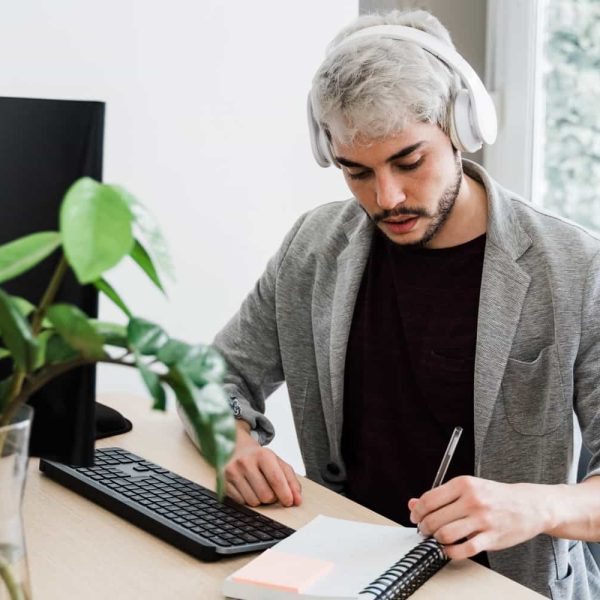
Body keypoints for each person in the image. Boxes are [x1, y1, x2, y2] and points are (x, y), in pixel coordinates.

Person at [183, 9, 600, 598]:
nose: (387, 198)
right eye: (357, 172)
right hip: (342, 572)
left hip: (503, 585)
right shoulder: (313, 246)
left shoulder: (576, 267)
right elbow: (209, 374)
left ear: (460, 128)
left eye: (410, 162)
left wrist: (533, 507)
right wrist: (230, 438)